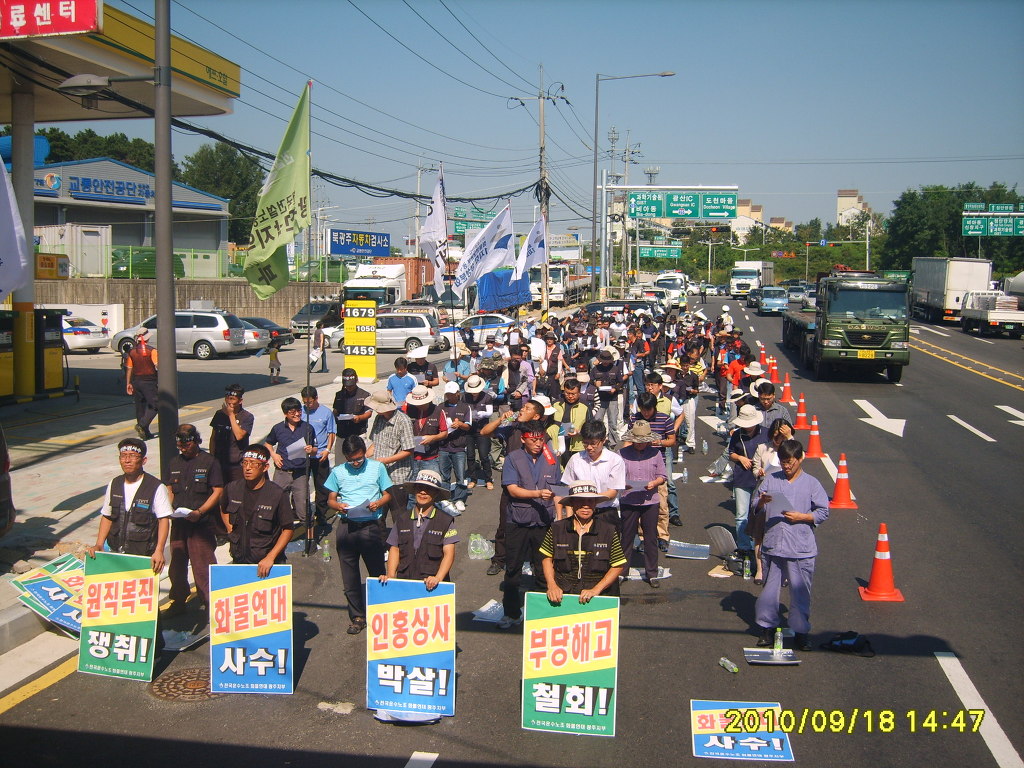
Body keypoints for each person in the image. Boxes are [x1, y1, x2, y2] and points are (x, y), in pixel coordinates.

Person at [752, 439, 829, 651]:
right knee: (769, 590)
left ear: (800, 459)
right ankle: (766, 628)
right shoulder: (771, 479)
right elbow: (755, 505)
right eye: (783, 462)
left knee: (800, 591)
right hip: (774, 543)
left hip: (800, 546)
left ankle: (801, 631)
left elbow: (823, 511)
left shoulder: (812, 483)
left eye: (790, 462)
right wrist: (761, 502)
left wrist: (803, 517)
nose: (786, 466)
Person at [326, 435, 393, 635]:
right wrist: (338, 505)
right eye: (351, 460)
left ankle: (381, 612)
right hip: (347, 526)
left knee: (377, 571)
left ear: (365, 452)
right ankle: (357, 616)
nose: (355, 463)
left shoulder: (377, 468)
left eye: (359, 458)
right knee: (349, 575)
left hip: (370, 526)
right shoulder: (338, 472)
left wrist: (378, 503)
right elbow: (330, 499)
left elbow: (388, 494)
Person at [497, 420, 561, 629]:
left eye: (541, 439)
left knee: (544, 568)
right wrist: (537, 493)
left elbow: (559, 490)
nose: (538, 443)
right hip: (518, 520)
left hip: (543, 520)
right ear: (523, 440)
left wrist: (560, 517)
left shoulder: (552, 459)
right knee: (513, 568)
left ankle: (542, 613)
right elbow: (512, 489)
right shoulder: (513, 458)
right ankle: (511, 613)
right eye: (534, 440)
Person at [163, 424, 223, 615]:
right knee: (177, 566)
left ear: (196, 441)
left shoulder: (210, 462)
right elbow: (170, 489)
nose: (183, 448)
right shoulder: (174, 463)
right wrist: (168, 509)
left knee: (203, 566)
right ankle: (178, 600)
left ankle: (210, 603)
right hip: (179, 523)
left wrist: (200, 511)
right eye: (180, 444)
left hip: (201, 524)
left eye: (187, 444)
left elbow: (218, 491)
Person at [89, 437, 172, 574]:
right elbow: (107, 516)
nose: (127, 460)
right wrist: (99, 544)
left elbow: (163, 520)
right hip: (116, 554)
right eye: (124, 456)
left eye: (133, 456)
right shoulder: (114, 484)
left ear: (143, 460)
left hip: (144, 556)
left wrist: (159, 551)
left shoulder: (156, 487)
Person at [540, 482, 627, 604]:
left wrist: (596, 590)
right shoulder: (557, 528)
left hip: (600, 597)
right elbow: (547, 558)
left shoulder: (608, 530)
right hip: (564, 597)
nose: (586, 506)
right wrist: (552, 585)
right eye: (580, 501)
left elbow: (618, 565)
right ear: (572, 503)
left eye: (590, 501)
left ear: (595, 504)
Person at [220, 446, 297, 577]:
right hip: (239, 561)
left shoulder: (277, 494)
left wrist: (271, 557)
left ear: (265, 467)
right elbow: (223, 509)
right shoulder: (232, 488)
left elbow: (288, 529)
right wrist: (230, 529)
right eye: (245, 463)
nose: (248, 468)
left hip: (268, 565)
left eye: (253, 464)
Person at [380, 469, 458, 589]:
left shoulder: (445, 520)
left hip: (433, 586)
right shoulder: (402, 519)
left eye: (428, 489)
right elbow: (394, 549)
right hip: (405, 583)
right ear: (414, 490)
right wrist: (390, 575)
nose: (423, 492)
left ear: (436, 493)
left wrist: (438, 578)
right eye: (420, 488)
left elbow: (449, 553)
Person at [618, 421, 667, 586]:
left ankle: (652, 573)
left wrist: (654, 483)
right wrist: (624, 484)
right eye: (637, 441)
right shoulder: (622, 453)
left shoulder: (656, 453)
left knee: (650, 537)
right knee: (626, 537)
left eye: (642, 441)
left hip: (649, 500)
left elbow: (662, 476)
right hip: (629, 499)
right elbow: (616, 475)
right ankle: (621, 571)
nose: (639, 444)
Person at [749, 418, 795, 584]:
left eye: (781, 437)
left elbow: (800, 456)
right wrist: (759, 472)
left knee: (784, 533)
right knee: (759, 533)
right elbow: (755, 469)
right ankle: (760, 569)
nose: (778, 441)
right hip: (765, 493)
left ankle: (784, 571)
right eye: (776, 437)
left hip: (784, 494)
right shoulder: (763, 448)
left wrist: (789, 438)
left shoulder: (790, 449)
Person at [264, 397, 317, 528]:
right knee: (276, 502)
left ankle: (309, 534)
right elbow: (268, 443)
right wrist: (274, 455)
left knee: (303, 507)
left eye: (299, 411)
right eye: (293, 412)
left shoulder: (308, 428)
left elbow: (315, 449)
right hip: (282, 472)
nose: (297, 414)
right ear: (285, 414)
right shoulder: (277, 428)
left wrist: (311, 450)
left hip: (301, 473)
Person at [558, 420, 624, 524]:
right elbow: (568, 489)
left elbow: (612, 493)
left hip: (605, 513)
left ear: (603, 440)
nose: (589, 447)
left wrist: (589, 500)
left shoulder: (615, 460)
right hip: (580, 513)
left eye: (593, 443)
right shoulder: (575, 459)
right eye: (585, 443)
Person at [728, 403, 770, 556]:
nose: (747, 427)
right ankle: (744, 546)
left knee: (761, 512)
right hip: (742, 476)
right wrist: (740, 458)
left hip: (761, 478)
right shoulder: (737, 434)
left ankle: (760, 543)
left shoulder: (766, 433)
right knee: (741, 515)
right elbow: (730, 453)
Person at [364, 390, 415, 516]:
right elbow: (375, 442)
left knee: (399, 515)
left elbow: (408, 450)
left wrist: (385, 460)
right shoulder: (379, 419)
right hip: (379, 476)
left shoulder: (403, 421)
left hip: (397, 477)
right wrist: (364, 456)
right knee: (378, 515)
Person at [300, 386, 337, 538]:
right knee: (301, 486)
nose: (307, 405)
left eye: (309, 402)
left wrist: (327, 449)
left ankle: (321, 515)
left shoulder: (326, 413)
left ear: (316, 398)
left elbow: (331, 432)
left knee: (321, 487)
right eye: (305, 402)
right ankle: (302, 514)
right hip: (303, 456)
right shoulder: (300, 411)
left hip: (320, 455)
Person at [209, 383, 255, 483]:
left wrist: (231, 415)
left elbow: (239, 436)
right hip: (219, 463)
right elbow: (213, 438)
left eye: (232, 399)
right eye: (227, 398)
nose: (229, 401)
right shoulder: (219, 414)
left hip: (237, 465)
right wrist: (212, 458)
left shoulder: (247, 417)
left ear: (240, 401)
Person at [438, 382, 472, 512]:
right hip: (443, 446)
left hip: (459, 446)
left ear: (458, 393)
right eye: (448, 394)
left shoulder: (465, 407)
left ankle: (459, 499)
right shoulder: (440, 407)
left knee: (460, 475)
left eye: (452, 394)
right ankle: (445, 498)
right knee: (444, 475)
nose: (450, 396)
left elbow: (468, 426)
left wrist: (460, 424)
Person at [403, 385, 449, 477]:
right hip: (411, 457)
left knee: (431, 483)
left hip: (430, 458)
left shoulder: (438, 411)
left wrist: (433, 438)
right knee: (412, 483)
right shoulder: (408, 410)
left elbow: (445, 433)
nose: (419, 405)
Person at [547, 378, 591, 467]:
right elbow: (548, 423)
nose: (570, 396)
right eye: (567, 393)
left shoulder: (585, 406)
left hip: (577, 446)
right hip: (557, 444)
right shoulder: (556, 404)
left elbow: (590, 427)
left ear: (579, 393)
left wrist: (579, 432)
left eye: (573, 394)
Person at [463, 374, 496, 491]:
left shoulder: (487, 397)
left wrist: (482, 414)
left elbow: (490, 412)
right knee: (470, 455)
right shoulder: (465, 397)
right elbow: (463, 410)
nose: (474, 393)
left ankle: (488, 479)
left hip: (482, 430)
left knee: (484, 455)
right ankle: (473, 478)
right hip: (469, 429)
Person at [125, 329, 158, 440]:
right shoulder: (152, 351)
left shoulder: (132, 352)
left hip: (136, 381)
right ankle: (142, 425)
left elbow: (129, 368)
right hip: (149, 381)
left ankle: (145, 433)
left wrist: (128, 383)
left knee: (140, 407)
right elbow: (158, 366)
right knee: (155, 404)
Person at [332, 368, 372, 460]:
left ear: (356, 380)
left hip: (358, 434)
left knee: (360, 461)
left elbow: (369, 413)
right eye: (347, 386)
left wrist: (359, 418)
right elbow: (335, 411)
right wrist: (335, 416)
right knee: (340, 462)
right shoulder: (339, 395)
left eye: (351, 385)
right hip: (342, 434)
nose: (349, 387)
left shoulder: (364, 395)